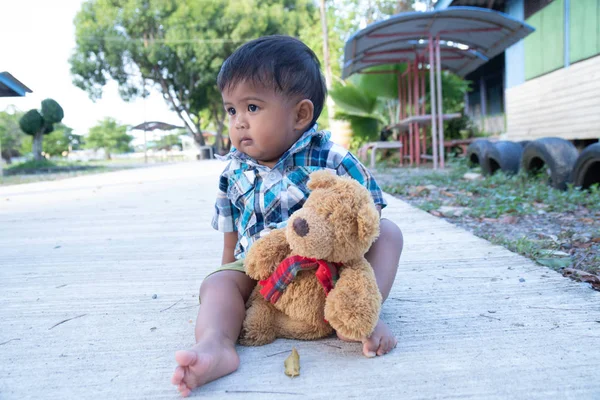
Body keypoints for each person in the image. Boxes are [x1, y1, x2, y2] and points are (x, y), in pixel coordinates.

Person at [172, 35, 404, 397]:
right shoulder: (232, 171)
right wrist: (227, 275)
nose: (238, 123)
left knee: (389, 233)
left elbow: (367, 217)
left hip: (330, 266)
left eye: (251, 107)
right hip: (263, 267)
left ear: (300, 114)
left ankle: (364, 313)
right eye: (231, 110)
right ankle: (216, 345)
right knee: (216, 285)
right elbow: (231, 231)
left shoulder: (332, 159)